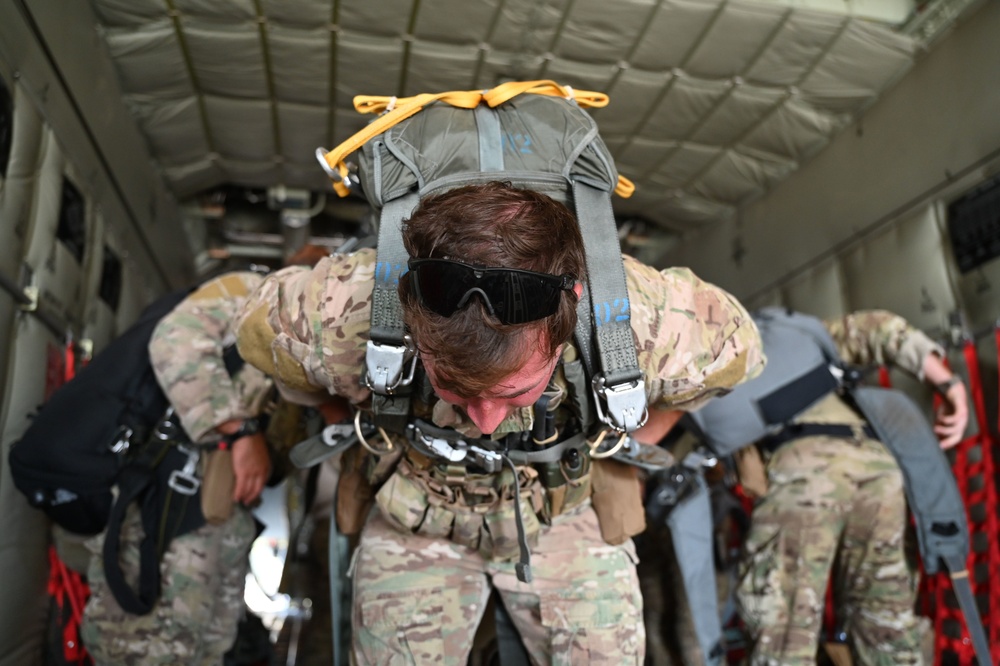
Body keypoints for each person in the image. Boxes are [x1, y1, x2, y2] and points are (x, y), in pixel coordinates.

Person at [236, 181, 765, 664]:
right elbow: (260, 338)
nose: (486, 423)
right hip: (415, 516)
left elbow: (739, 355)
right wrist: (355, 418)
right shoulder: (341, 310)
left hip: (564, 515)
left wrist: (622, 438)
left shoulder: (643, 318)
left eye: (514, 390)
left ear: (570, 314)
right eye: (455, 388)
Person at [696, 309, 968, 666]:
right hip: (877, 465)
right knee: (886, 623)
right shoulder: (804, 331)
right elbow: (881, 329)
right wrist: (950, 385)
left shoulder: (711, 349)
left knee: (783, 634)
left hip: (802, 469)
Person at [80, 270, 275, 665]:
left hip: (219, 512)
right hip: (171, 500)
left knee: (203, 647)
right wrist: (241, 431)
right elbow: (175, 340)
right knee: (143, 646)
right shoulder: (256, 293)